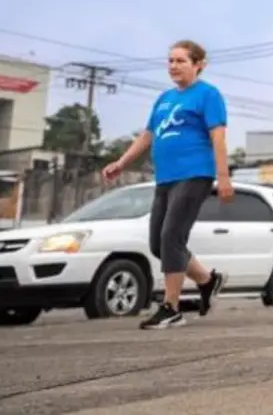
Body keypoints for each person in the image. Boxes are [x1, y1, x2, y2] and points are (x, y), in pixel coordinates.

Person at [103, 39, 233, 330]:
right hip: (166, 176)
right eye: (171, 61)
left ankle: (171, 307)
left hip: (195, 173)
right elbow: (147, 136)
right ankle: (206, 279)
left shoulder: (208, 95)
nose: (174, 66)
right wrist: (121, 163)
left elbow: (218, 137)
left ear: (198, 65)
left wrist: (223, 177)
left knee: (172, 235)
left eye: (181, 61)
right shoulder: (164, 99)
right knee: (158, 244)